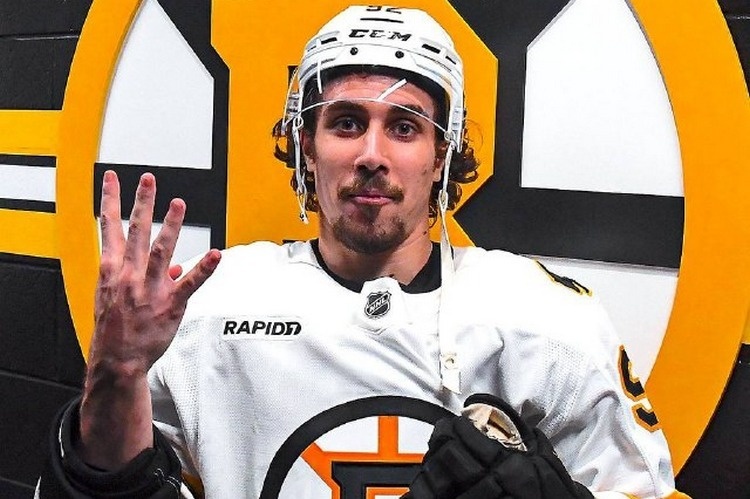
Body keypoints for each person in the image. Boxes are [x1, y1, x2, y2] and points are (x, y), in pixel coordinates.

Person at [38, 5, 686, 499]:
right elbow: (105, 486)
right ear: (306, 146)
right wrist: (115, 376)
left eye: (404, 127)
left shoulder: (548, 322)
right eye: (347, 122)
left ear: (442, 156)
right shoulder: (208, 310)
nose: (372, 154)